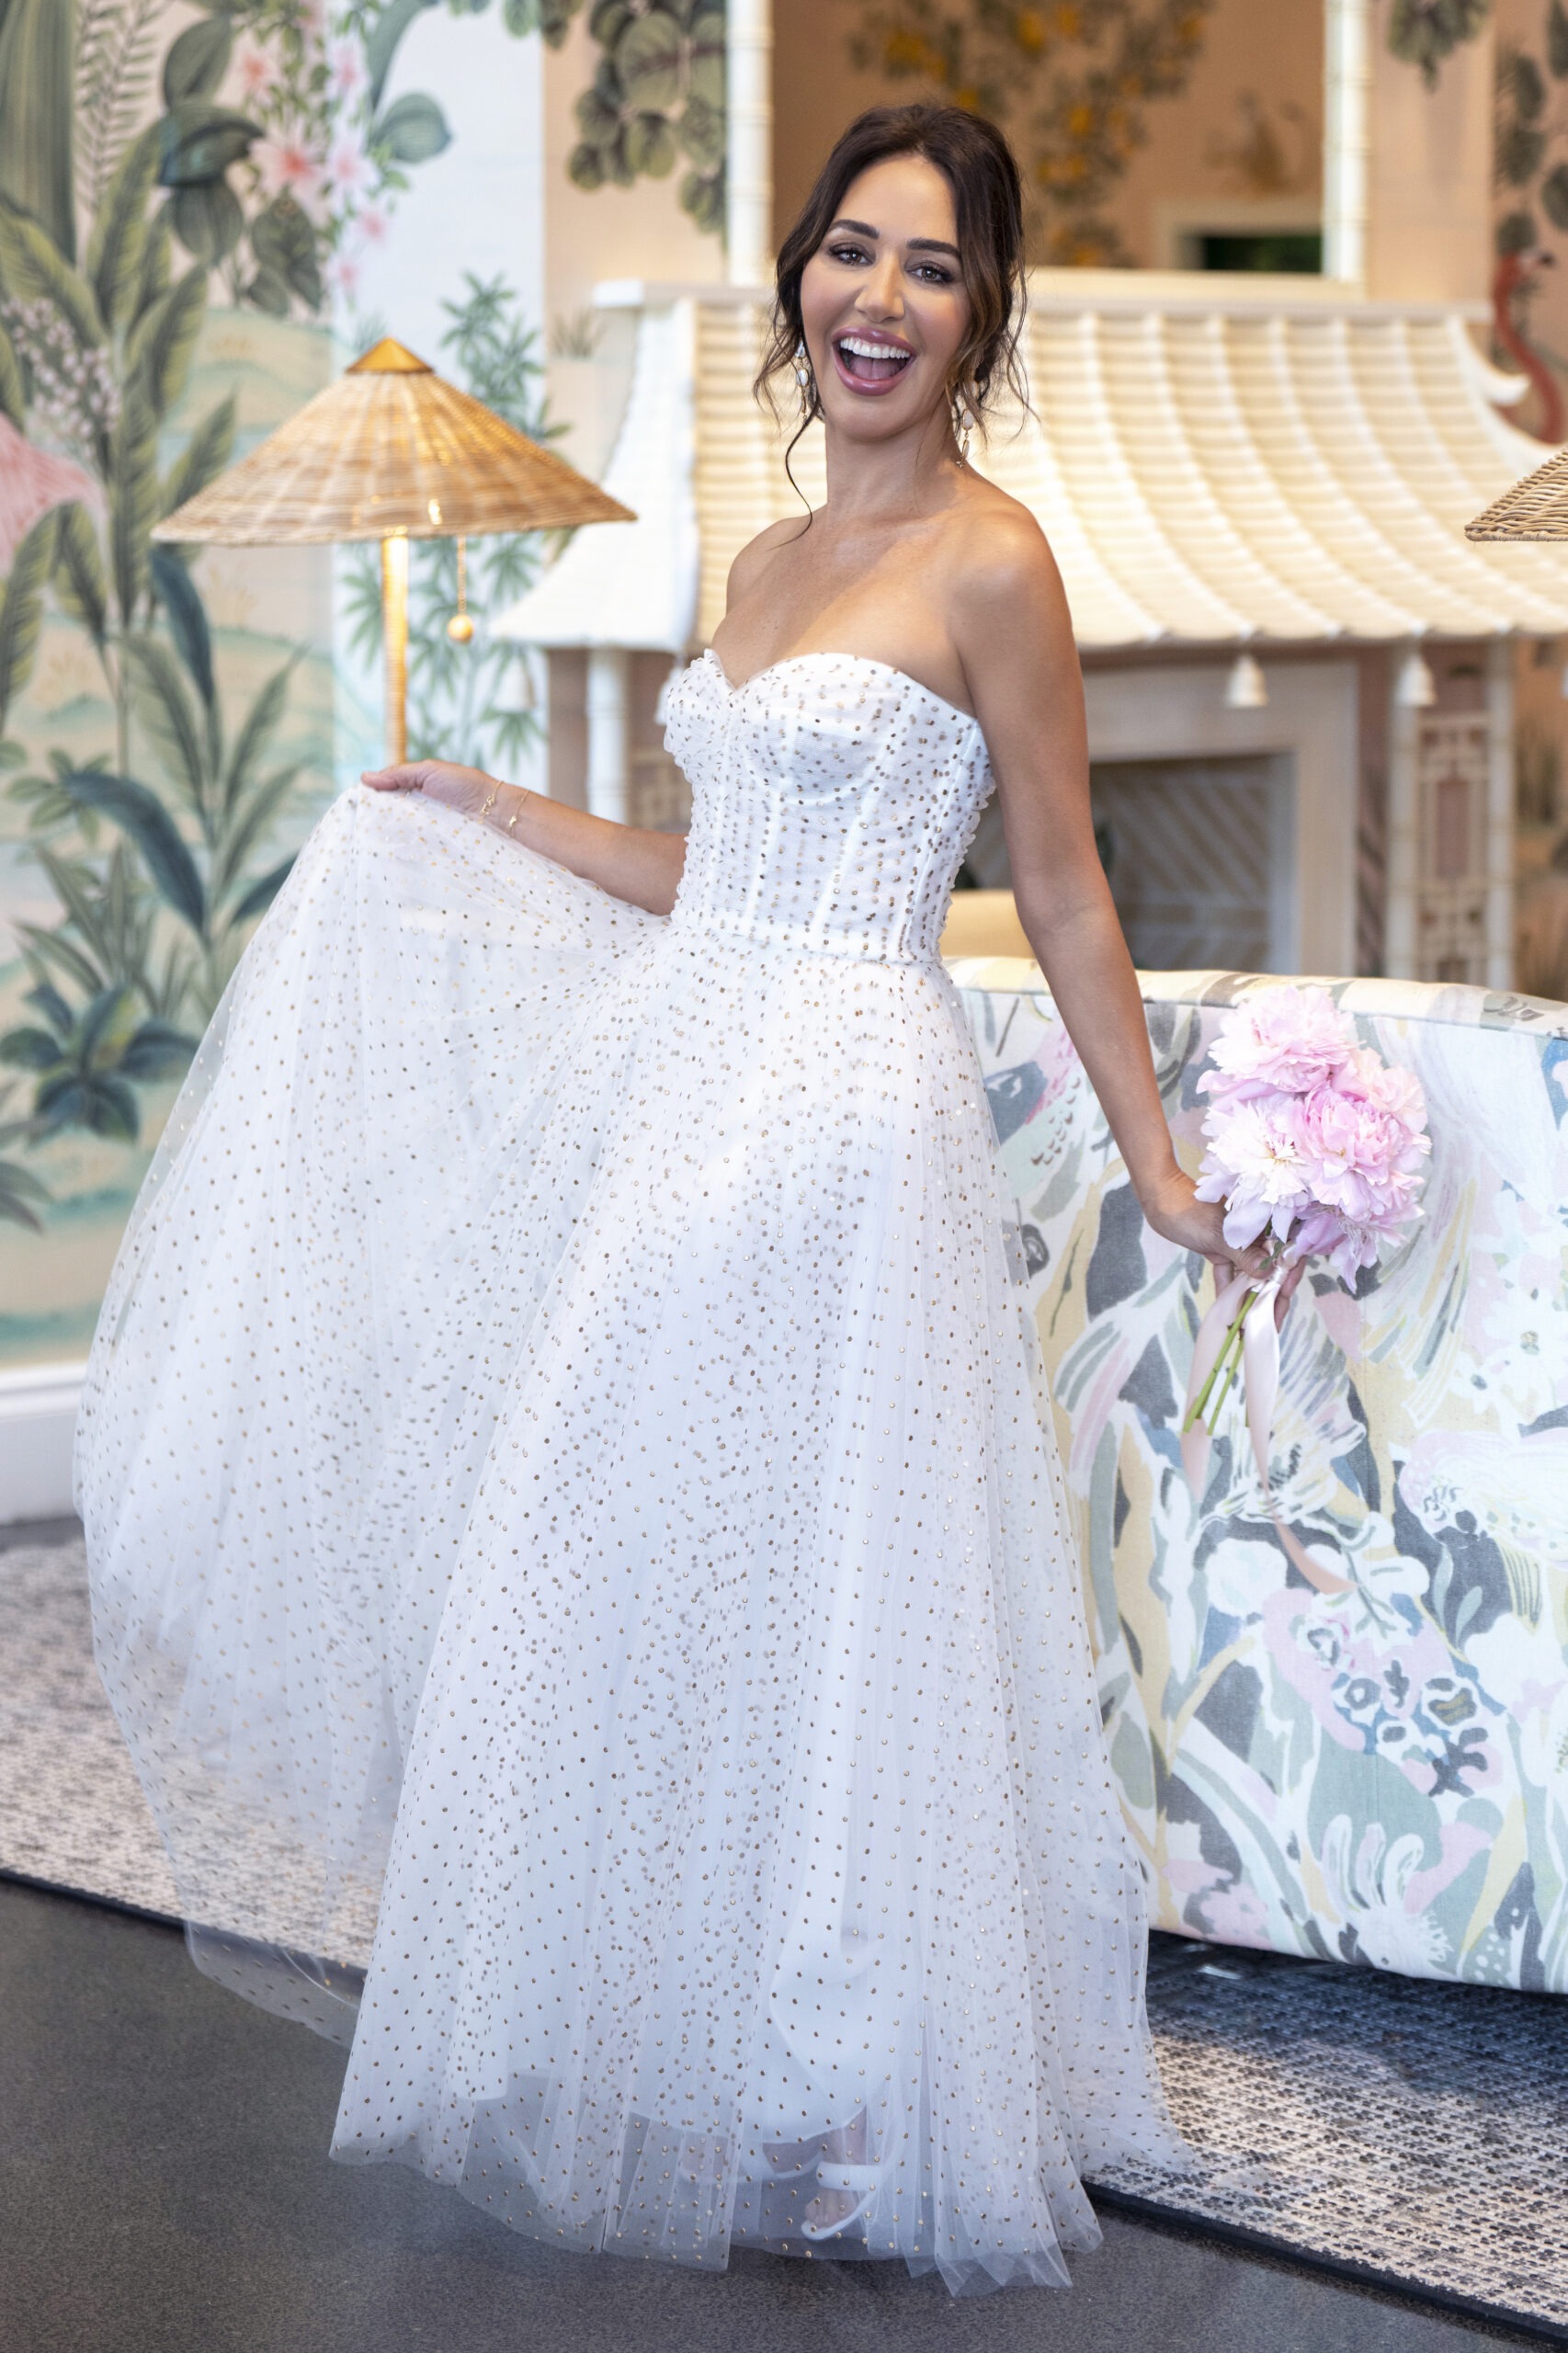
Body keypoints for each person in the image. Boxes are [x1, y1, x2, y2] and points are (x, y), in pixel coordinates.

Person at [77, 103, 1267, 2294]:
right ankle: (687, 2033)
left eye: (927, 266)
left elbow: (1071, 887)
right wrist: (483, 802)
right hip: (692, 1075)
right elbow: (703, 873)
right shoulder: (759, 557)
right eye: (847, 252)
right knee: (637, 1554)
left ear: (980, 311)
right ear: (797, 281)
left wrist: (1164, 1167)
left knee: (824, 1583)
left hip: (837, 1103)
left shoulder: (995, 561)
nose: (875, 300)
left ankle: (838, 2084)